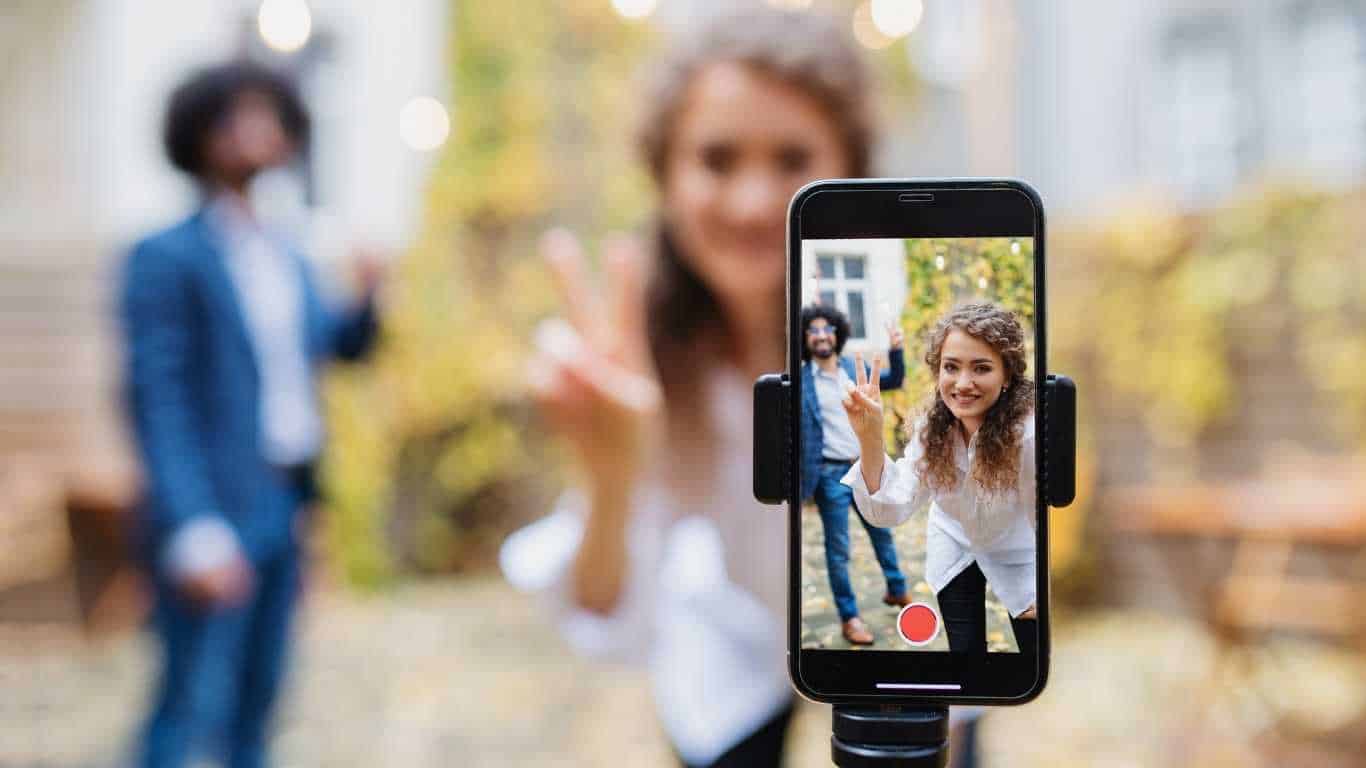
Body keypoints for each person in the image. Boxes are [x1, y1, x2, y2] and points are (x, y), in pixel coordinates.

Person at [499, 7, 875, 767]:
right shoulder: (643, 346)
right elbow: (608, 612)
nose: (754, 201)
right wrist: (609, 478)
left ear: (847, 168)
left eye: (792, 157)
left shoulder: (894, 333)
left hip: (884, 635)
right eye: (716, 159)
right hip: (732, 644)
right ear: (664, 176)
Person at [120, 62, 380, 768]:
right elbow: (157, 400)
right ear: (200, 133)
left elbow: (336, 348)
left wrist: (371, 297)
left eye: (269, 115)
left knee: (259, 707)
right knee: (186, 710)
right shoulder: (164, 256)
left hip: (284, 502)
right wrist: (194, 528)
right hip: (215, 508)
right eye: (238, 116)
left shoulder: (288, 254)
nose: (257, 132)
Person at [840, 302, 1038, 656]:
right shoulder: (933, 430)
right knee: (965, 654)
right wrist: (870, 437)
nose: (963, 384)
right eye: (951, 367)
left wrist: (1044, 583)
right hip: (955, 539)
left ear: (1007, 375)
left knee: (1034, 654)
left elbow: (1047, 519)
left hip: (1019, 551)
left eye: (981, 368)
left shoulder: (1029, 435)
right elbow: (890, 509)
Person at [799, 304, 910, 645]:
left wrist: (896, 348)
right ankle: (850, 617)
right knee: (838, 549)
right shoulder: (800, 380)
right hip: (829, 474)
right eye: (813, 330)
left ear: (837, 333)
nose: (821, 335)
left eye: (827, 329)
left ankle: (897, 589)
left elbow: (894, 380)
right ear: (805, 338)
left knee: (882, 530)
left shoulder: (851, 369)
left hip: (862, 466)